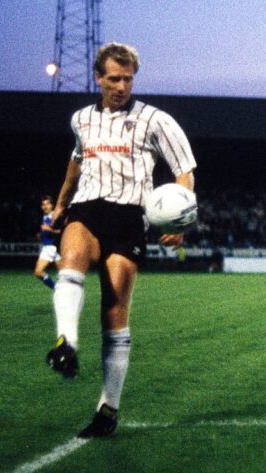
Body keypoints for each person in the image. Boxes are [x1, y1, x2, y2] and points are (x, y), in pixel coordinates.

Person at [46, 42, 197, 438]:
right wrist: (62, 203)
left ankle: (107, 409)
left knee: (114, 313)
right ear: (99, 78)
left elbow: (184, 171)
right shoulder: (82, 119)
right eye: (114, 78)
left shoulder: (155, 120)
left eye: (128, 79)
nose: (122, 86)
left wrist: (179, 219)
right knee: (72, 258)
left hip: (130, 214)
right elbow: (77, 161)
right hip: (88, 206)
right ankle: (67, 343)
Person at [33, 195, 60, 290]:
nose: (45, 206)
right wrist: (40, 235)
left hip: (56, 248)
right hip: (48, 247)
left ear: (52, 205)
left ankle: (60, 290)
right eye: (43, 204)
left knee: (64, 275)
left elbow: (61, 231)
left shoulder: (55, 216)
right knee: (38, 272)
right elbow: (45, 230)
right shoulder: (44, 217)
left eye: (48, 204)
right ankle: (56, 288)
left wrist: (50, 230)